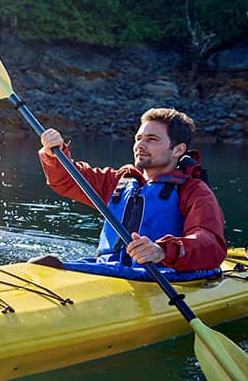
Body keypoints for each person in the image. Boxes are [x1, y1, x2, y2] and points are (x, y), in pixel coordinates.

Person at [38, 107, 226, 277]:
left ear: (178, 149)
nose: (140, 145)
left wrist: (162, 250)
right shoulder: (121, 181)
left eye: (152, 139)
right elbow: (66, 180)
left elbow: (210, 243)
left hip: (160, 275)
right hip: (110, 268)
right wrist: (54, 154)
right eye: (138, 139)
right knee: (43, 266)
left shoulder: (194, 191)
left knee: (47, 266)